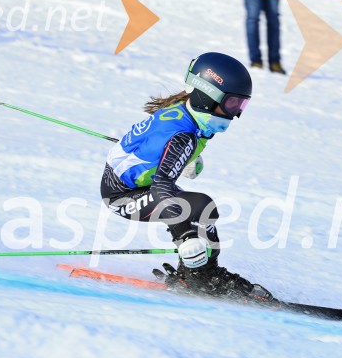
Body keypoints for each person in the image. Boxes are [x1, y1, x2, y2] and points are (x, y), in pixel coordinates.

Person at [100, 52, 272, 300]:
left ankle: (200, 274)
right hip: (122, 196)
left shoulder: (187, 113)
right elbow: (162, 188)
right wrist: (186, 238)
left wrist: (187, 158)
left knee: (204, 210)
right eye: (232, 103)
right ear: (207, 95)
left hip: (142, 186)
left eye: (241, 105)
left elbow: (157, 144)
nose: (235, 113)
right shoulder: (184, 136)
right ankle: (199, 275)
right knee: (197, 206)